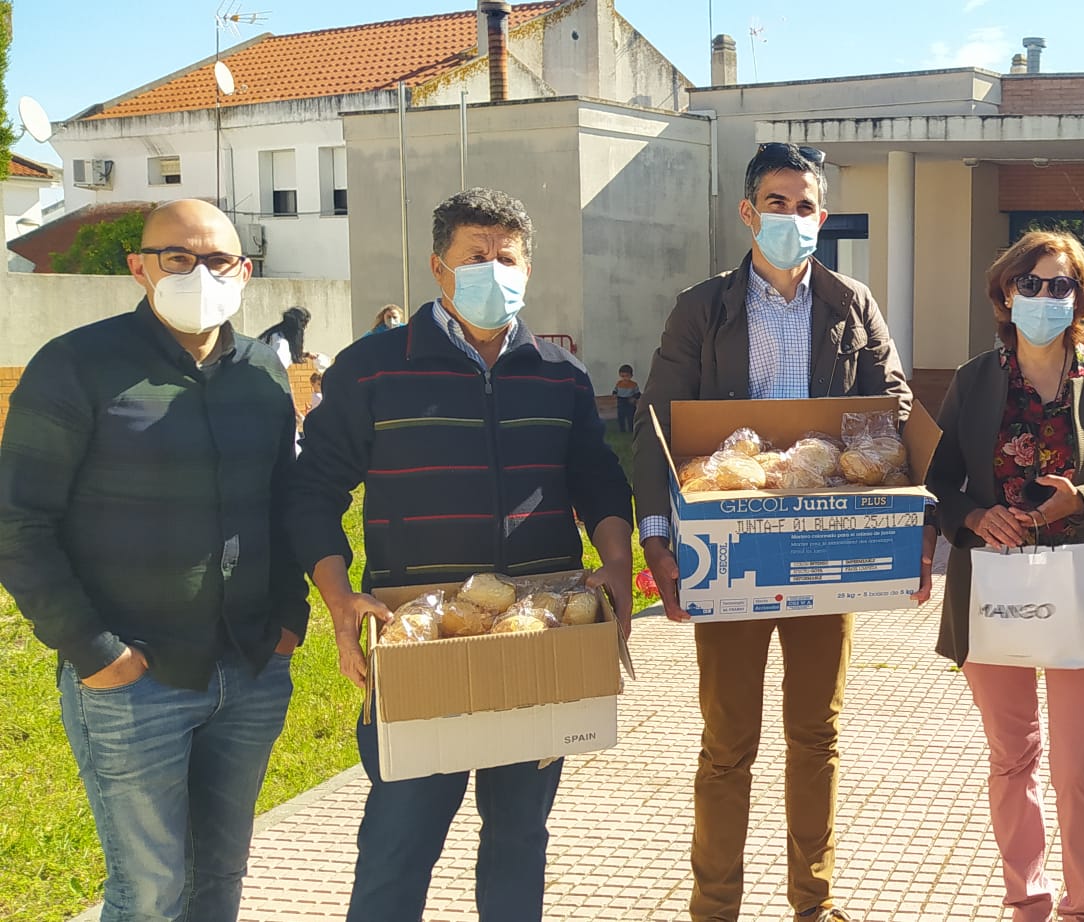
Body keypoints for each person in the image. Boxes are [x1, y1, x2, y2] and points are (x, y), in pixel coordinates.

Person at [288, 188, 635, 922]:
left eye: (506, 258)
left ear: (528, 268)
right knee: (399, 842)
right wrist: (339, 599)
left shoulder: (560, 375)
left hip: (537, 639)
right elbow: (312, 489)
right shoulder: (373, 369)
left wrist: (614, 563)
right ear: (438, 269)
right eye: (475, 257)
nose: (493, 271)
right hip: (420, 642)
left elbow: (598, 479)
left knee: (518, 836)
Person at [0, 199, 305, 922]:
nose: (198, 272)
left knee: (221, 876)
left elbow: (287, 502)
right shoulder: (75, 366)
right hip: (135, 680)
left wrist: (289, 617)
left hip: (250, 669)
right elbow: (18, 521)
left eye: (217, 260)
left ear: (246, 272)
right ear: (139, 267)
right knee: (150, 892)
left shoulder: (263, 373)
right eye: (177, 257)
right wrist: (94, 651)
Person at [631, 142, 911, 922]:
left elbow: (891, 413)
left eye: (807, 205)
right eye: (778, 203)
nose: (793, 218)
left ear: (822, 217)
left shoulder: (850, 304)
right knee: (727, 746)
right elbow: (655, 424)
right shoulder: (702, 308)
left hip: (824, 547)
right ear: (750, 212)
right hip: (729, 548)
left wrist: (901, 532)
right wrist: (660, 543)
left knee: (816, 735)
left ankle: (812, 906)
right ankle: (714, 908)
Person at [926, 229, 1084, 922]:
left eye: (1062, 286)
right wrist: (974, 517)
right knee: (1011, 761)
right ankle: (1027, 900)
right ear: (1005, 292)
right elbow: (939, 484)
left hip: (1083, 595)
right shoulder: (975, 379)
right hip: (993, 592)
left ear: (1082, 298)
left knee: (1078, 771)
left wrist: (1083, 499)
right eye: (1033, 284)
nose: (1047, 297)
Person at [611, 363, 641, 433]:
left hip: (630, 401)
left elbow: (638, 394)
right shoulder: (619, 383)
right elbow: (615, 391)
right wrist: (614, 394)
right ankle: (622, 430)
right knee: (621, 416)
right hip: (621, 400)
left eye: (626, 376)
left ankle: (631, 429)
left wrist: (634, 398)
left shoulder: (633, 384)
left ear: (631, 376)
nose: (624, 378)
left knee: (630, 417)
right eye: (622, 376)